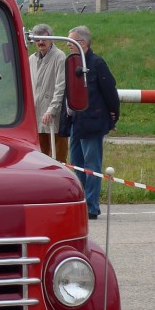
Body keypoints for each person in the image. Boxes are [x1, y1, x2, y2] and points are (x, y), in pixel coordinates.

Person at [65, 25, 120, 220]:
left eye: (71, 42)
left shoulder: (97, 64)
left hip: (92, 122)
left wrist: (114, 115)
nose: (68, 46)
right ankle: (80, 202)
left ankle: (92, 206)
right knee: (76, 164)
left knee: (92, 166)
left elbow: (110, 91)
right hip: (76, 122)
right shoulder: (72, 63)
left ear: (83, 43)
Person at [29, 23, 68, 162]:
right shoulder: (32, 59)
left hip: (54, 115)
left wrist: (52, 110)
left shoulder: (59, 57)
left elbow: (61, 86)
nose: (40, 42)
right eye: (37, 39)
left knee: (59, 154)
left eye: (43, 39)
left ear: (51, 39)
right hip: (36, 113)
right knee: (41, 155)